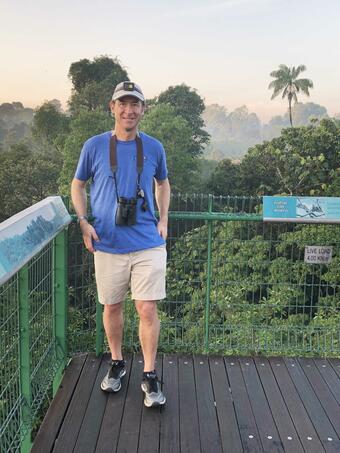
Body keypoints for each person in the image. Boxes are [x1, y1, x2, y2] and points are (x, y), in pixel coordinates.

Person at [71, 81, 170, 407]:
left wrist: (163, 219)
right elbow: (78, 185)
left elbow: (163, 183)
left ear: (143, 109)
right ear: (112, 108)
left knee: (147, 307)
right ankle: (117, 363)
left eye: (135, 104)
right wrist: (83, 221)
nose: (129, 110)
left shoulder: (154, 147)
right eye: (122, 104)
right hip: (109, 244)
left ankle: (150, 374)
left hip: (146, 242)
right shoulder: (95, 146)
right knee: (112, 306)